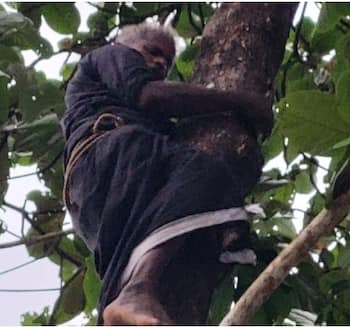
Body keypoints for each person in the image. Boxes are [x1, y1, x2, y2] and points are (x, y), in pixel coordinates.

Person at [61, 23, 272, 325]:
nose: (161, 63)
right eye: (153, 52)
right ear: (128, 45)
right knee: (207, 171)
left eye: (167, 62)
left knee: (143, 251)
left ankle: (127, 301)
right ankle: (137, 290)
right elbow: (150, 97)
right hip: (110, 151)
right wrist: (240, 101)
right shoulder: (112, 55)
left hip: (93, 196)